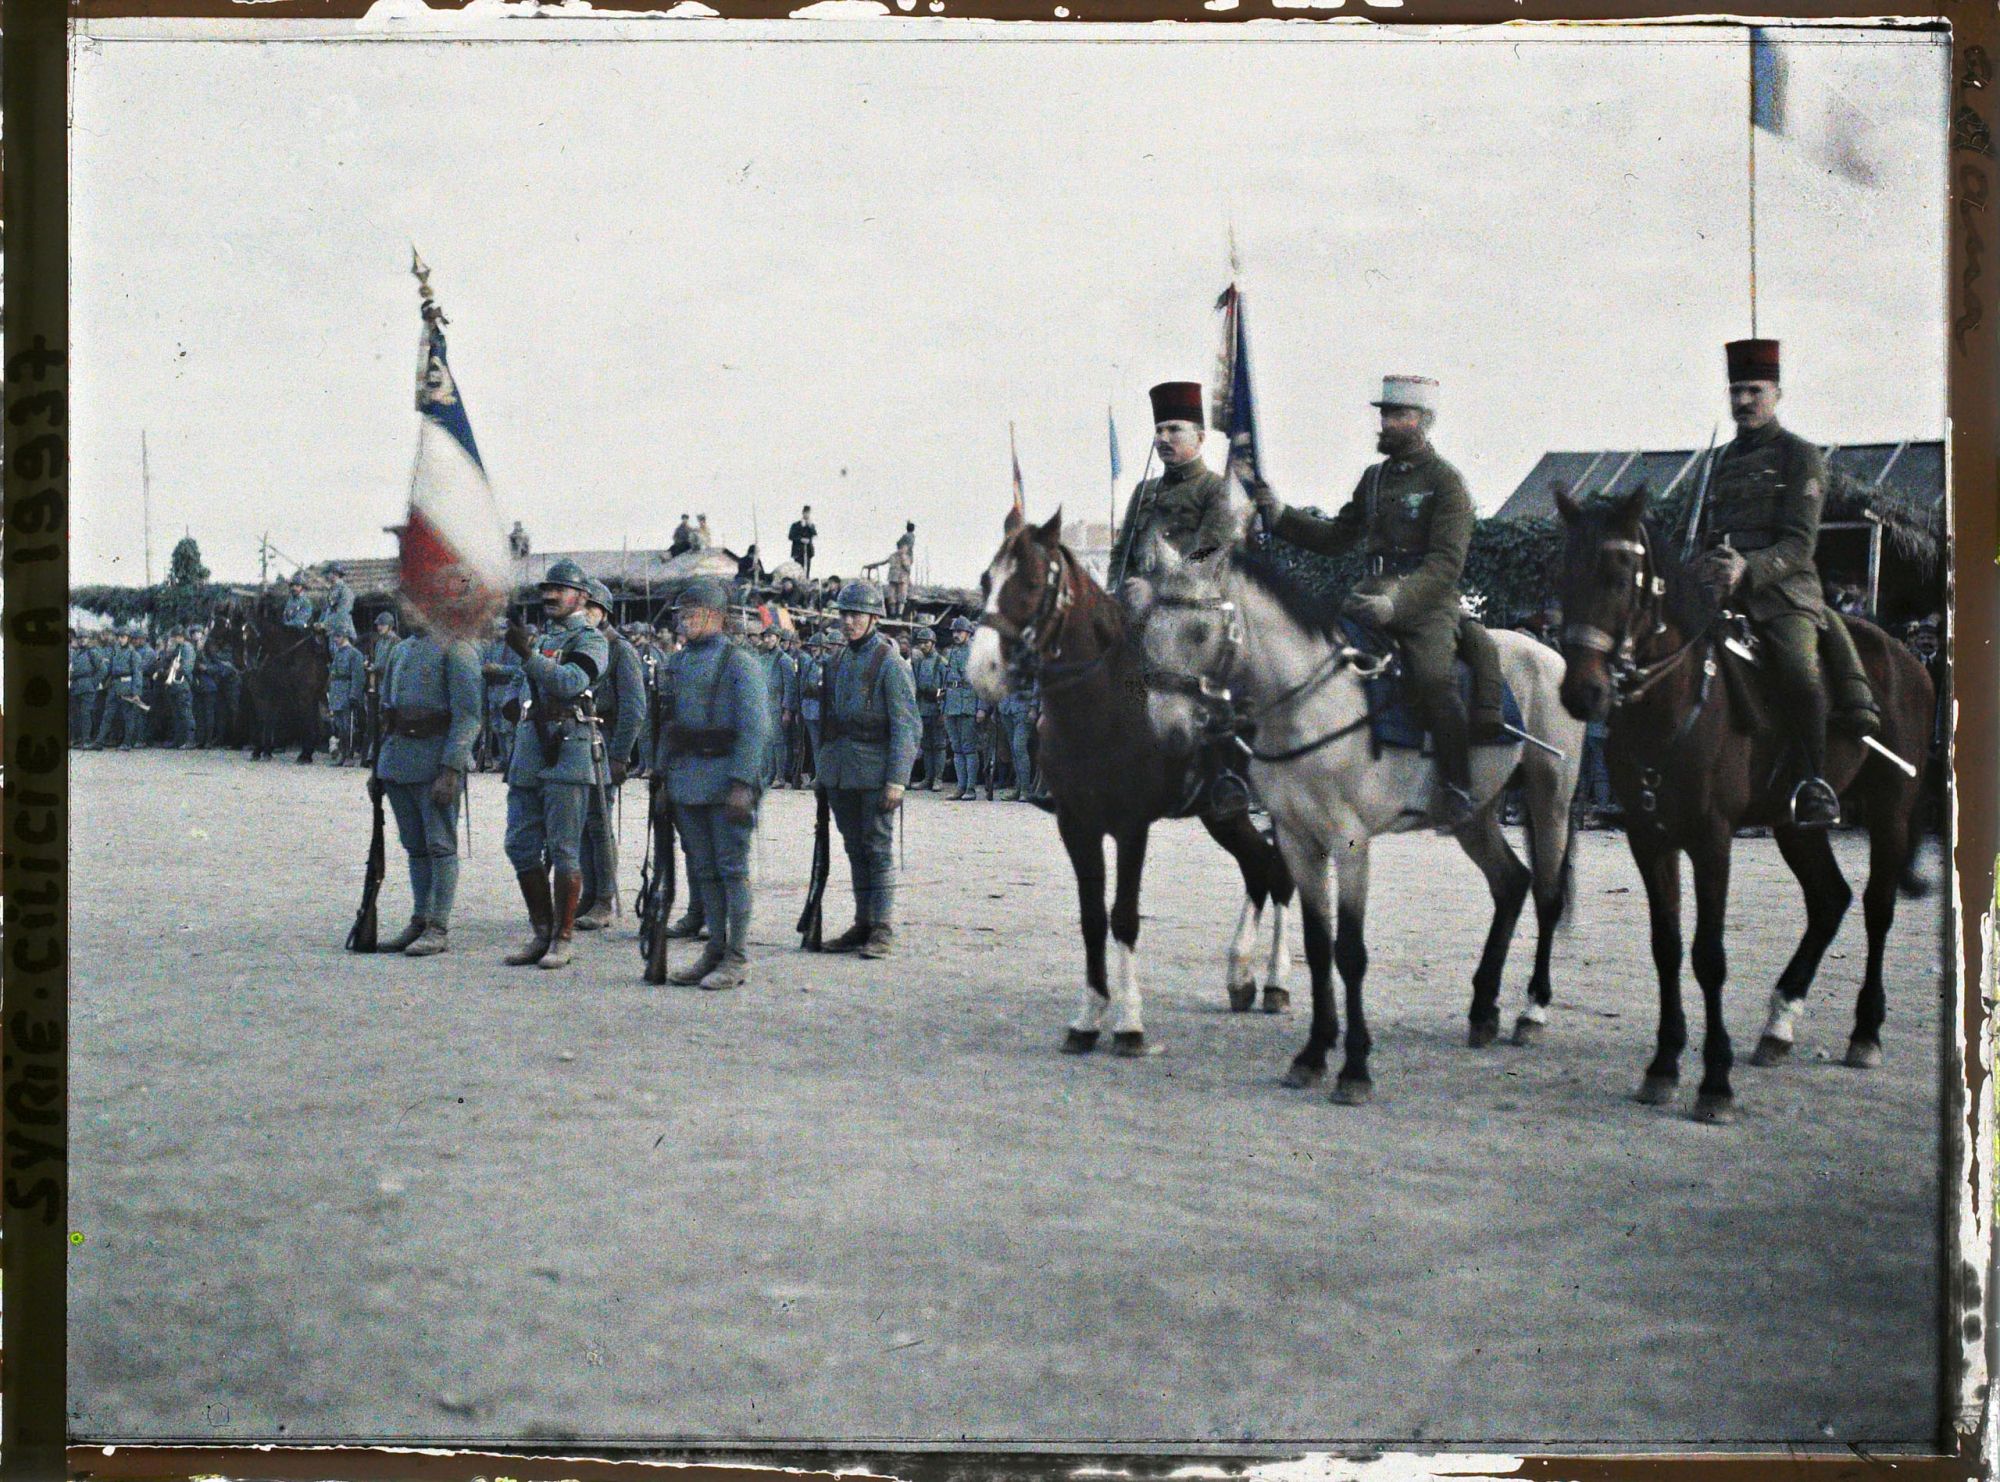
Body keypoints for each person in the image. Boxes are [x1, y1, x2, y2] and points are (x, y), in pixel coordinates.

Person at [1250, 374, 1500, 832]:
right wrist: (1281, 516)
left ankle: (1458, 787)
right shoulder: (1375, 478)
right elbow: (1337, 538)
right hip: (1367, 597)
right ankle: (1314, 791)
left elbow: (1446, 563)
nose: (1384, 423)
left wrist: (1397, 605)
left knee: (1432, 680)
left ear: (1423, 421)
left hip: (1426, 605)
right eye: (1384, 414)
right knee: (1317, 666)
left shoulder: (1446, 483)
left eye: (1396, 415)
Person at [1690, 338, 1880, 828]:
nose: (1743, 402)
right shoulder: (1718, 460)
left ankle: (1814, 783)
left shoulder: (1800, 457)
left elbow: (1799, 543)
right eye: (1735, 390)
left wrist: (1747, 569)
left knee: (1798, 670)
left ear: (1777, 393)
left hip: (1781, 592)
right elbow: (1702, 534)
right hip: (1716, 587)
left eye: (1754, 390)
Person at [655, 577, 772, 990]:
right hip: (687, 778)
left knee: (731, 869)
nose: (683, 621)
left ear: (717, 616)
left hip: (726, 780)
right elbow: (668, 725)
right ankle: (714, 950)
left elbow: (755, 729)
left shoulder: (739, 662)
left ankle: (736, 957)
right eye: (680, 614)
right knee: (704, 869)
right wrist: (662, 775)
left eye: (691, 613)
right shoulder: (679, 662)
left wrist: (743, 783)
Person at [500, 559, 611, 970]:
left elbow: (569, 682)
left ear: (582, 597)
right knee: (520, 844)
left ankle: (562, 938)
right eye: (547, 589)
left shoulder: (592, 641)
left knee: (565, 848)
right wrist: (513, 702)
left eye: (560, 589)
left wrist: (528, 655)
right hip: (531, 749)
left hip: (570, 749)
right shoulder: (544, 638)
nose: (550, 596)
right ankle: (541, 930)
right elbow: (517, 688)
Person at [814, 580, 920, 958]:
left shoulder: (889, 662)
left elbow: (906, 725)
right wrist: (823, 772)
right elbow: (828, 721)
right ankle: (862, 922)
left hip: (876, 772)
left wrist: (897, 780)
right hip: (842, 771)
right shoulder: (838, 659)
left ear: (874, 617)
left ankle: (883, 927)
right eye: (844, 613)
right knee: (854, 848)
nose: (848, 621)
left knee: (877, 848)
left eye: (856, 614)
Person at [372, 604, 483, 956]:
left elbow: (468, 716)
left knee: (439, 846)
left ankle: (438, 926)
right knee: (414, 846)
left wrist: (451, 768)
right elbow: (386, 714)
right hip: (399, 761)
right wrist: (378, 767)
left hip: (435, 762)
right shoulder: (400, 650)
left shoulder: (458, 649)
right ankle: (419, 919)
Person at [1107, 380, 1238, 595]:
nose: (1163, 438)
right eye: (1159, 431)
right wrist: (1114, 589)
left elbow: (1207, 551)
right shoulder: (1144, 490)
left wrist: (1157, 589)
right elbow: (1121, 552)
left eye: (1174, 429)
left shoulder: (1215, 488)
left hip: (1192, 605)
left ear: (1200, 438)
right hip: (1134, 602)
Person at [577, 580, 647, 932]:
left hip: (605, 744)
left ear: (602, 612)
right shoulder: (578, 644)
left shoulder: (620, 650)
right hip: (577, 743)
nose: (582, 614)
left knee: (599, 824)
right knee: (582, 824)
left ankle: (604, 899)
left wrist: (620, 756)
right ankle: (588, 895)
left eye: (589, 608)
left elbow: (634, 709)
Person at [940, 615, 983, 798]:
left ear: (968, 633)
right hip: (951, 704)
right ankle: (961, 786)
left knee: (968, 748)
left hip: (968, 704)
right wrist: (941, 703)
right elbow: (944, 682)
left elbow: (982, 683)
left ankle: (971, 789)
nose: (956, 635)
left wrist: (981, 708)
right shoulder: (952, 653)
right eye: (954, 632)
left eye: (960, 631)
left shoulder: (975, 652)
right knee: (956, 748)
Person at [480, 612, 523, 772]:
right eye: (495, 629)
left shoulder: (513, 646)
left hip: (507, 688)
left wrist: (498, 668)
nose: (497, 632)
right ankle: (503, 761)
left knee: (507, 728)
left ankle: (511, 762)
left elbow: (519, 668)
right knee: (496, 727)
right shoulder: (490, 646)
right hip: (492, 689)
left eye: (501, 629)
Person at [909, 626, 948, 790]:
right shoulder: (918, 662)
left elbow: (946, 688)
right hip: (922, 707)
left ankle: (938, 778)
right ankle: (928, 777)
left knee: (938, 745)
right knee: (926, 745)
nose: (923, 646)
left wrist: (942, 707)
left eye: (926, 643)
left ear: (933, 643)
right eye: (920, 643)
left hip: (936, 707)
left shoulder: (941, 663)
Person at [326, 631, 367, 765]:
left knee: (348, 726)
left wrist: (354, 695)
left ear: (345, 637)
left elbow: (358, 676)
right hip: (337, 692)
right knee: (339, 726)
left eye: (337, 636)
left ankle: (349, 755)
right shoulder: (338, 653)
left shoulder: (354, 654)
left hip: (347, 692)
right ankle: (342, 754)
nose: (335, 639)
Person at [998, 675, 1038, 801]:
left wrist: (1034, 706)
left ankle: (1025, 789)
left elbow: (1037, 682)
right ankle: (1019, 787)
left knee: (1019, 747)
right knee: (1014, 750)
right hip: (1006, 707)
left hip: (1024, 707)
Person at [162, 627, 198, 749]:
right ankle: (178, 740)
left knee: (186, 712)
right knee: (176, 713)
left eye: (176, 636)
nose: (174, 639)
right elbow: (167, 660)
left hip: (182, 685)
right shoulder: (178, 648)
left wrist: (178, 667)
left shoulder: (187, 648)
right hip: (174, 685)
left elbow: (188, 667)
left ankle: (190, 740)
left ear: (181, 636)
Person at [69, 632, 101, 747]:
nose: (82, 640)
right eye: (80, 638)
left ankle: (86, 740)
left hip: (87, 686)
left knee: (85, 713)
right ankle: (77, 739)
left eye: (85, 637)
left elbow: (102, 669)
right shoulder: (76, 653)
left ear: (89, 639)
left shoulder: (93, 652)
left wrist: (93, 683)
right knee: (75, 714)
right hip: (75, 686)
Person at [322, 563, 358, 642]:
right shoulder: (331, 591)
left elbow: (343, 613)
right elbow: (327, 611)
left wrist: (325, 624)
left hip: (344, 632)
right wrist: (320, 623)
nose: (326, 576)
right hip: (332, 632)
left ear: (335, 574)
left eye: (328, 573)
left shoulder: (345, 591)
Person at [789, 505, 818, 579]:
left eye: (808, 513)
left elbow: (815, 534)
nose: (807, 515)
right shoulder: (795, 525)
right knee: (798, 570)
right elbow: (791, 536)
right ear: (803, 513)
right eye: (806, 513)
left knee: (807, 571)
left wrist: (810, 526)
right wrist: (801, 539)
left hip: (808, 552)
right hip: (798, 552)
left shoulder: (811, 525)